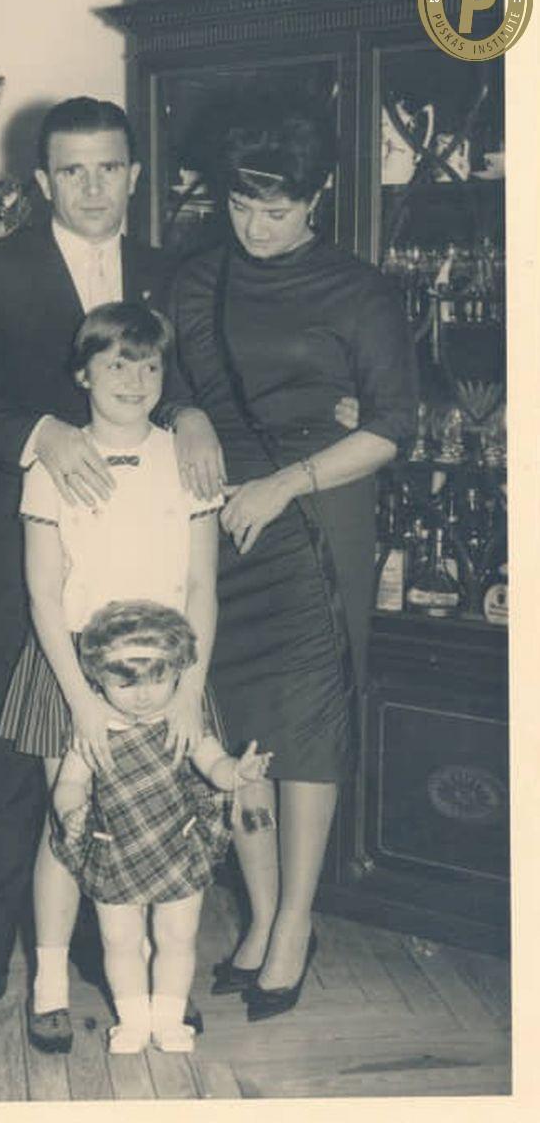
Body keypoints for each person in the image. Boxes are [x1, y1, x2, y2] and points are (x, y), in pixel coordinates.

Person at [0, 96, 216, 1036]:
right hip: (29, 554)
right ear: (44, 180)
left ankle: (106, 954)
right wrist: (40, 434)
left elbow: (183, 381)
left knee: (133, 759)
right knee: (9, 761)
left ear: (134, 174)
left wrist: (193, 415)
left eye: (109, 168)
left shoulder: (169, 271)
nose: (93, 188)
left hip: (136, 563)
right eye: (73, 171)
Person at [168, 102, 419, 1020]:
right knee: (236, 719)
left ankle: (294, 922)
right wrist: (188, 415)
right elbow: (167, 378)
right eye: (241, 206)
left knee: (303, 727)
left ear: (316, 199)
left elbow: (391, 427)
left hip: (314, 514)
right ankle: (262, 910)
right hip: (218, 514)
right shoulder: (198, 279)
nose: (256, 227)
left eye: (275, 210)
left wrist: (283, 485)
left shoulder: (359, 291)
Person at [0, 300, 229, 1051]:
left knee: (169, 814)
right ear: (84, 375)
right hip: (73, 666)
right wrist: (82, 705)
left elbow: (203, 588)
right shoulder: (54, 464)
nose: (134, 380)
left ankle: (163, 991)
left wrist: (188, 693)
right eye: (116, 365)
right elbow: (42, 594)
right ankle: (50, 986)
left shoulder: (186, 457)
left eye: (149, 365)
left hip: (170, 669)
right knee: (70, 827)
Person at [51, 600, 271, 1055]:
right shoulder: (93, 731)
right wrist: (71, 810)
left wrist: (238, 773)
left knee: (177, 937)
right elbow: (69, 782)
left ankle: (169, 1022)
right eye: (125, 682)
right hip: (115, 850)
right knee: (120, 941)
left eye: (157, 678)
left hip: (177, 846)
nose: (143, 695)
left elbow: (214, 765)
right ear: (97, 676)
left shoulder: (182, 723)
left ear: (178, 671)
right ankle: (133, 1023)